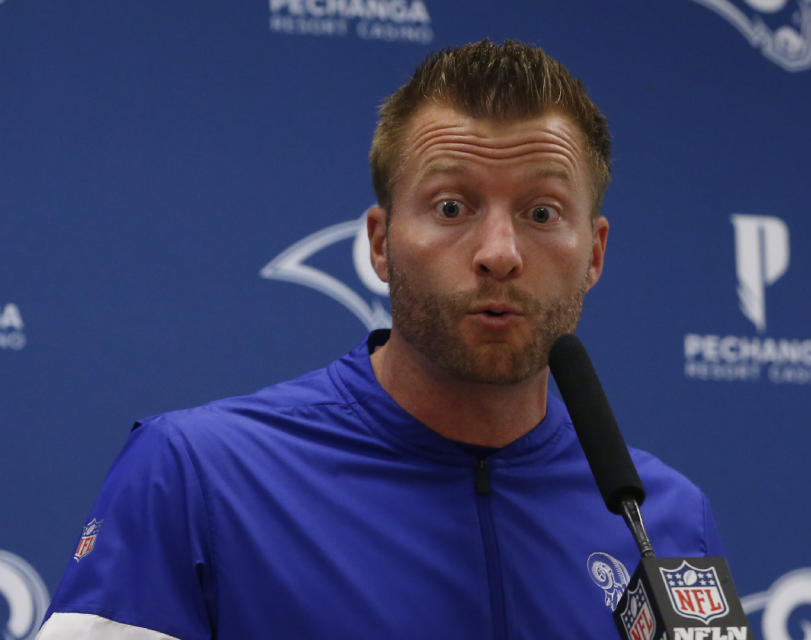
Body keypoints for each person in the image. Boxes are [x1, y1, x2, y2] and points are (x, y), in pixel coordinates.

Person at [37, 40, 724, 639]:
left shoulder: (664, 520)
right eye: (452, 207)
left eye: (541, 212)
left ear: (595, 253)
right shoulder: (198, 476)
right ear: (380, 243)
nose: (499, 253)